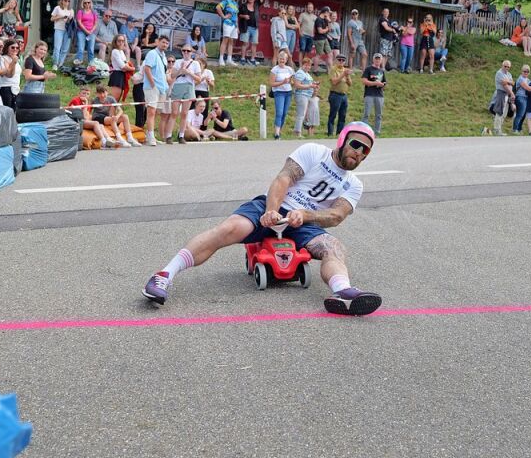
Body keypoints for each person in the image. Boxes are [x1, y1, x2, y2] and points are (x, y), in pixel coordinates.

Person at [143, 122, 383, 316]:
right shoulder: (314, 152)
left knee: (334, 247)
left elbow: (336, 215)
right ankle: (164, 275)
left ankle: (343, 291)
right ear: (342, 140)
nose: (359, 152)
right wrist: (272, 210)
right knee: (230, 228)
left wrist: (305, 215)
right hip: (275, 207)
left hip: (304, 223)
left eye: (365, 150)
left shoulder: (354, 184)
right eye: (355, 144)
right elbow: (284, 179)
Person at [168, 44, 201, 144]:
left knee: (185, 113)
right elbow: (172, 75)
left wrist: (188, 73)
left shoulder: (195, 63)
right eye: (184, 51)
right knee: (174, 112)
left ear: (191, 52)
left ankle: (181, 135)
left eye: (188, 51)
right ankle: (169, 136)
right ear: (182, 52)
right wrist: (180, 70)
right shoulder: (178, 62)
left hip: (189, 86)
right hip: (178, 86)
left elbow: (198, 79)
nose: (186, 52)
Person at [142, 34, 170, 146]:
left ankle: (151, 134)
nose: (165, 45)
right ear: (158, 42)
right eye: (163, 42)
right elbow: (147, 68)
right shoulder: (152, 53)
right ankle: (150, 136)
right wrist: (153, 84)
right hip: (152, 87)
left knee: (157, 112)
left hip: (162, 88)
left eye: (167, 43)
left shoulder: (164, 56)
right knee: (151, 111)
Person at [238, 0, 269, 66]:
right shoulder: (243, 6)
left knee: (254, 44)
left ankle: (252, 59)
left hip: (255, 28)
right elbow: (239, 15)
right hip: (246, 27)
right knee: (245, 43)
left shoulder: (256, 4)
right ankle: (242, 59)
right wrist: (244, 16)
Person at [269, 49, 295, 140]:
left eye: (283, 59)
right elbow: (271, 83)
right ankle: (276, 133)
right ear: (278, 59)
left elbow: (292, 81)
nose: (282, 60)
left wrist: (290, 82)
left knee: (284, 113)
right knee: (279, 112)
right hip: (279, 92)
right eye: (280, 58)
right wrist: (282, 82)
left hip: (288, 92)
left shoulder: (289, 69)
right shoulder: (275, 70)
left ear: (286, 60)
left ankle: (280, 130)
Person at [327, 54, 353, 135]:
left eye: (343, 60)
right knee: (333, 114)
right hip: (335, 94)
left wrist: (347, 76)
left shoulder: (345, 70)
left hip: (343, 95)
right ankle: (330, 132)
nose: (341, 62)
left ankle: (340, 133)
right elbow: (334, 82)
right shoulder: (333, 69)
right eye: (339, 60)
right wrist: (343, 75)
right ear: (336, 60)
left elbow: (350, 84)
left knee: (343, 115)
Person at [361, 52, 386, 135]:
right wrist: (375, 83)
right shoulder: (368, 69)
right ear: (373, 59)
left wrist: (382, 85)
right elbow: (364, 81)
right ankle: (364, 131)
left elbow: (384, 83)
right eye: (376, 59)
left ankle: (377, 132)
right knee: (366, 114)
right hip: (369, 94)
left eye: (379, 59)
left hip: (379, 95)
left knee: (379, 115)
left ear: (381, 60)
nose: (377, 60)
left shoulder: (382, 71)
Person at [292, 55, 316, 138]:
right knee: (301, 114)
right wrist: (310, 86)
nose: (307, 67)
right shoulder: (300, 73)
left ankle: (297, 130)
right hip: (301, 95)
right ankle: (297, 132)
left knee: (303, 114)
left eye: (309, 65)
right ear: (302, 65)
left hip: (307, 95)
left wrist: (314, 86)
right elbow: (297, 85)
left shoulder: (307, 74)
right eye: (306, 65)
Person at [0, 40, 22, 108]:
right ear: (7, 48)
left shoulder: (16, 59)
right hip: (5, 88)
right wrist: (13, 62)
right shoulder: (3, 58)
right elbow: (9, 74)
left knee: (13, 111)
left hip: (15, 88)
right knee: (6, 110)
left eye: (17, 48)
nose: (15, 49)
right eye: (12, 47)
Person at [216, 0, 241, 67]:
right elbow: (218, 7)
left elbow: (236, 15)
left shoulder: (236, 3)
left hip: (234, 25)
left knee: (231, 42)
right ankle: (221, 59)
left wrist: (237, 27)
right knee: (225, 40)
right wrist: (223, 16)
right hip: (227, 23)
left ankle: (229, 60)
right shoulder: (227, 0)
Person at [512, 65, 531, 134]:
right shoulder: (520, 79)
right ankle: (515, 129)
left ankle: (519, 129)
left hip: (526, 98)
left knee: (523, 115)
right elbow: (527, 88)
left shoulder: (528, 80)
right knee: (520, 114)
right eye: (525, 71)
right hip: (520, 97)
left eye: (527, 71)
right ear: (522, 71)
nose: (526, 73)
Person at [491, 59, 515, 136]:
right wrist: (511, 92)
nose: (506, 68)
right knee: (499, 112)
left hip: (507, 94)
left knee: (504, 113)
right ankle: (496, 129)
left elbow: (512, 83)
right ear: (502, 65)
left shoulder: (509, 74)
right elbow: (504, 85)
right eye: (505, 66)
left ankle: (499, 129)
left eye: (508, 67)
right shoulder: (499, 73)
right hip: (501, 93)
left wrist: (508, 82)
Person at [108, 34, 134, 102]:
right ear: (115, 42)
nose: (121, 42)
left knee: (117, 100)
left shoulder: (121, 51)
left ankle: (113, 112)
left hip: (122, 75)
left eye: (123, 41)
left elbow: (126, 64)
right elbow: (123, 66)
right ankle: (110, 112)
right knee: (114, 99)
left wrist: (127, 67)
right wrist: (133, 69)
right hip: (117, 75)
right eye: (119, 41)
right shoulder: (115, 51)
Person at [50, 0, 74, 69]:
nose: (67, 2)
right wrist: (61, 17)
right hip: (59, 29)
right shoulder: (57, 8)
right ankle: (55, 63)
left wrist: (69, 19)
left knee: (65, 48)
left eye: (68, 1)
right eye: (65, 0)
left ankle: (60, 64)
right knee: (57, 47)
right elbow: (51, 19)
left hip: (68, 30)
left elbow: (72, 21)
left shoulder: (71, 10)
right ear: (62, 1)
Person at [74, 0, 97, 65]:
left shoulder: (94, 12)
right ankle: (78, 63)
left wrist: (91, 31)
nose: (87, 4)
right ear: (83, 4)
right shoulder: (80, 12)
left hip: (91, 32)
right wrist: (86, 31)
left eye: (88, 2)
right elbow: (79, 22)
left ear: (91, 3)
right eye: (85, 3)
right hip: (81, 31)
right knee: (81, 48)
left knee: (91, 49)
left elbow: (95, 23)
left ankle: (91, 65)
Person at [313, 7, 331, 72]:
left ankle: (329, 71)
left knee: (330, 54)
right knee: (318, 55)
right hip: (319, 39)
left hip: (325, 38)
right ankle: (315, 70)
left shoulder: (325, 19)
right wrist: (326, 29)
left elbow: (330, 29)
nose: (329, 14)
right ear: (326, 12)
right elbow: (320, 31)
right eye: (328, 13)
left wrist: (329, 21)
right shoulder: (318, 19)